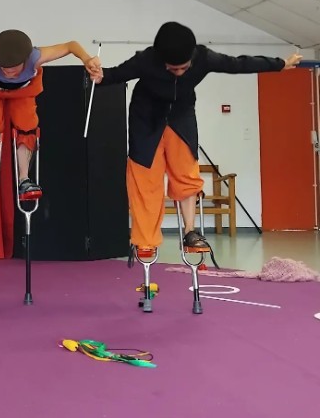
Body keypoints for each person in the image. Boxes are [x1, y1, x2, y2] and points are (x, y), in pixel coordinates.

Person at [90, 21, 302, 254]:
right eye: (173, 69)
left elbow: (238, 64)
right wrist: (100, 76)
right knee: (145, 181)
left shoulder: (204, 58)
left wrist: (279, 64)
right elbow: (115, 74)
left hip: (181, 119)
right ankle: (145, 240)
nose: (179, 73)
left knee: (186, 175)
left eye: (184, 68)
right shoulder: (146, 60)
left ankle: (190, 233)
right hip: (145, 120)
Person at [0, 29, 101, 200]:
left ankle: (24, 179)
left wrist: (87, 59)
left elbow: (70, 46)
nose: (8, 72)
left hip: (22, 89)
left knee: (27, 124)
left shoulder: (36, 57)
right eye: (4, 67)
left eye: (13, 67)